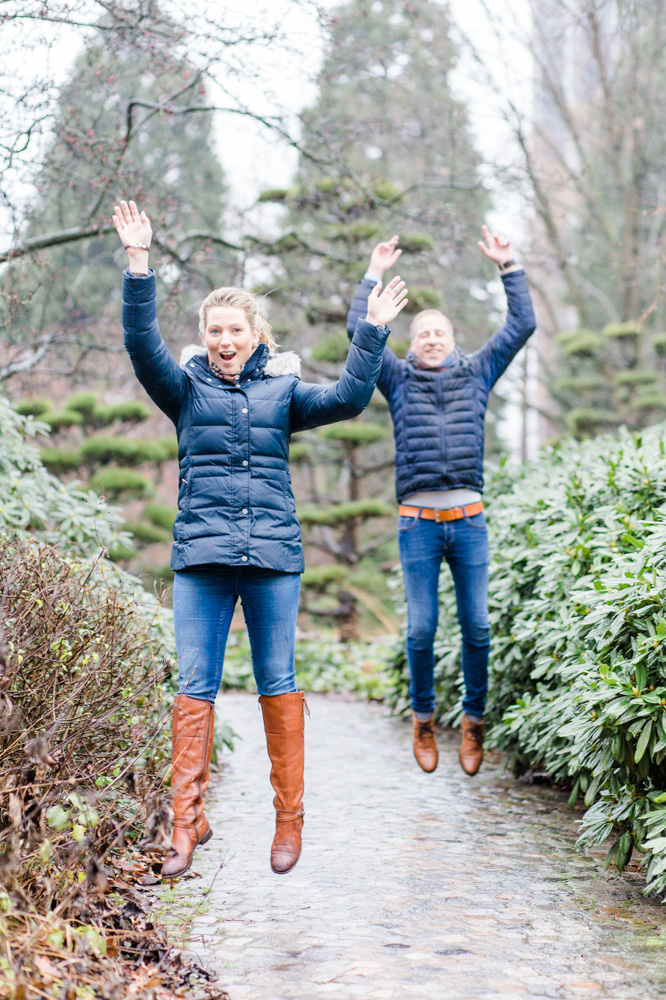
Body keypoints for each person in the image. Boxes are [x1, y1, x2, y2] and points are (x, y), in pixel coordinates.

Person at [113, 200, 408, 877]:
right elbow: (139, 342)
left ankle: (288, 820)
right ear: (205, 336)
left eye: (234, 330)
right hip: (202, 562)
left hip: (273, 561)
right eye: (214, 330)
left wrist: (371, 331)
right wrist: (138, 262)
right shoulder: (182, 390)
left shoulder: (282, 395)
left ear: (254, 336)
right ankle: (183, 826)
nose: (223, 339)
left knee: (279, 684)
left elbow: (349, 399)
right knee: (193, 689)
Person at [346, 228, 536, 776]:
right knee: (420, 629)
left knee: (477, 627)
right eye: (422, 331)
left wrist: (509, 266)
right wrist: (372, 275)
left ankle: (473, 722)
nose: (431, 337)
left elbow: (522, 325)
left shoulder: (478, 372)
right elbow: (360, 335)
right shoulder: (398, 380)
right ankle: (424, 719)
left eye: (440, 331)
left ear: (453, 340)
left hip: (470, 522)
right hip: (419, 525)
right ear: (412, 342)